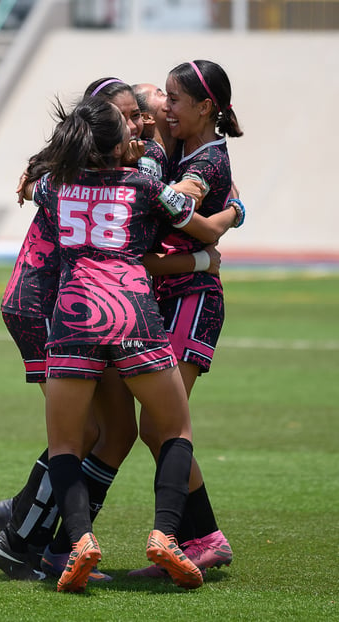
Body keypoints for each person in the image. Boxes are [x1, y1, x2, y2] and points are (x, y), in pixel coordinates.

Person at [0, 82, 227, 583]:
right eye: (131, 121)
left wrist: (37, 173)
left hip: (72, 315)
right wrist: (232, 217)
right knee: (172, 429)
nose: (141, 127)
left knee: (69, 443)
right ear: (115, 140)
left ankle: (77, 540)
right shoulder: (143, 184)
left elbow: (34, 186)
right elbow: (202, 225)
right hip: (132, 312)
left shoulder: (53, 186)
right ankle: (164, 532)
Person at [129, 60, 244, 579]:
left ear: (205, 108)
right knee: (155, 426)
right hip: (167, 291)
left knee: (161, 423)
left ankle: (181, 537)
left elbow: (188, 199)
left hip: (194, 298)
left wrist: (210, 218)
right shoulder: (181, 146)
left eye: (174, 101)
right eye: (165, 99)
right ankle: (203, 538)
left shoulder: (208, 160)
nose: (165, 110)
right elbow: (219, 214)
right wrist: (234, 214)